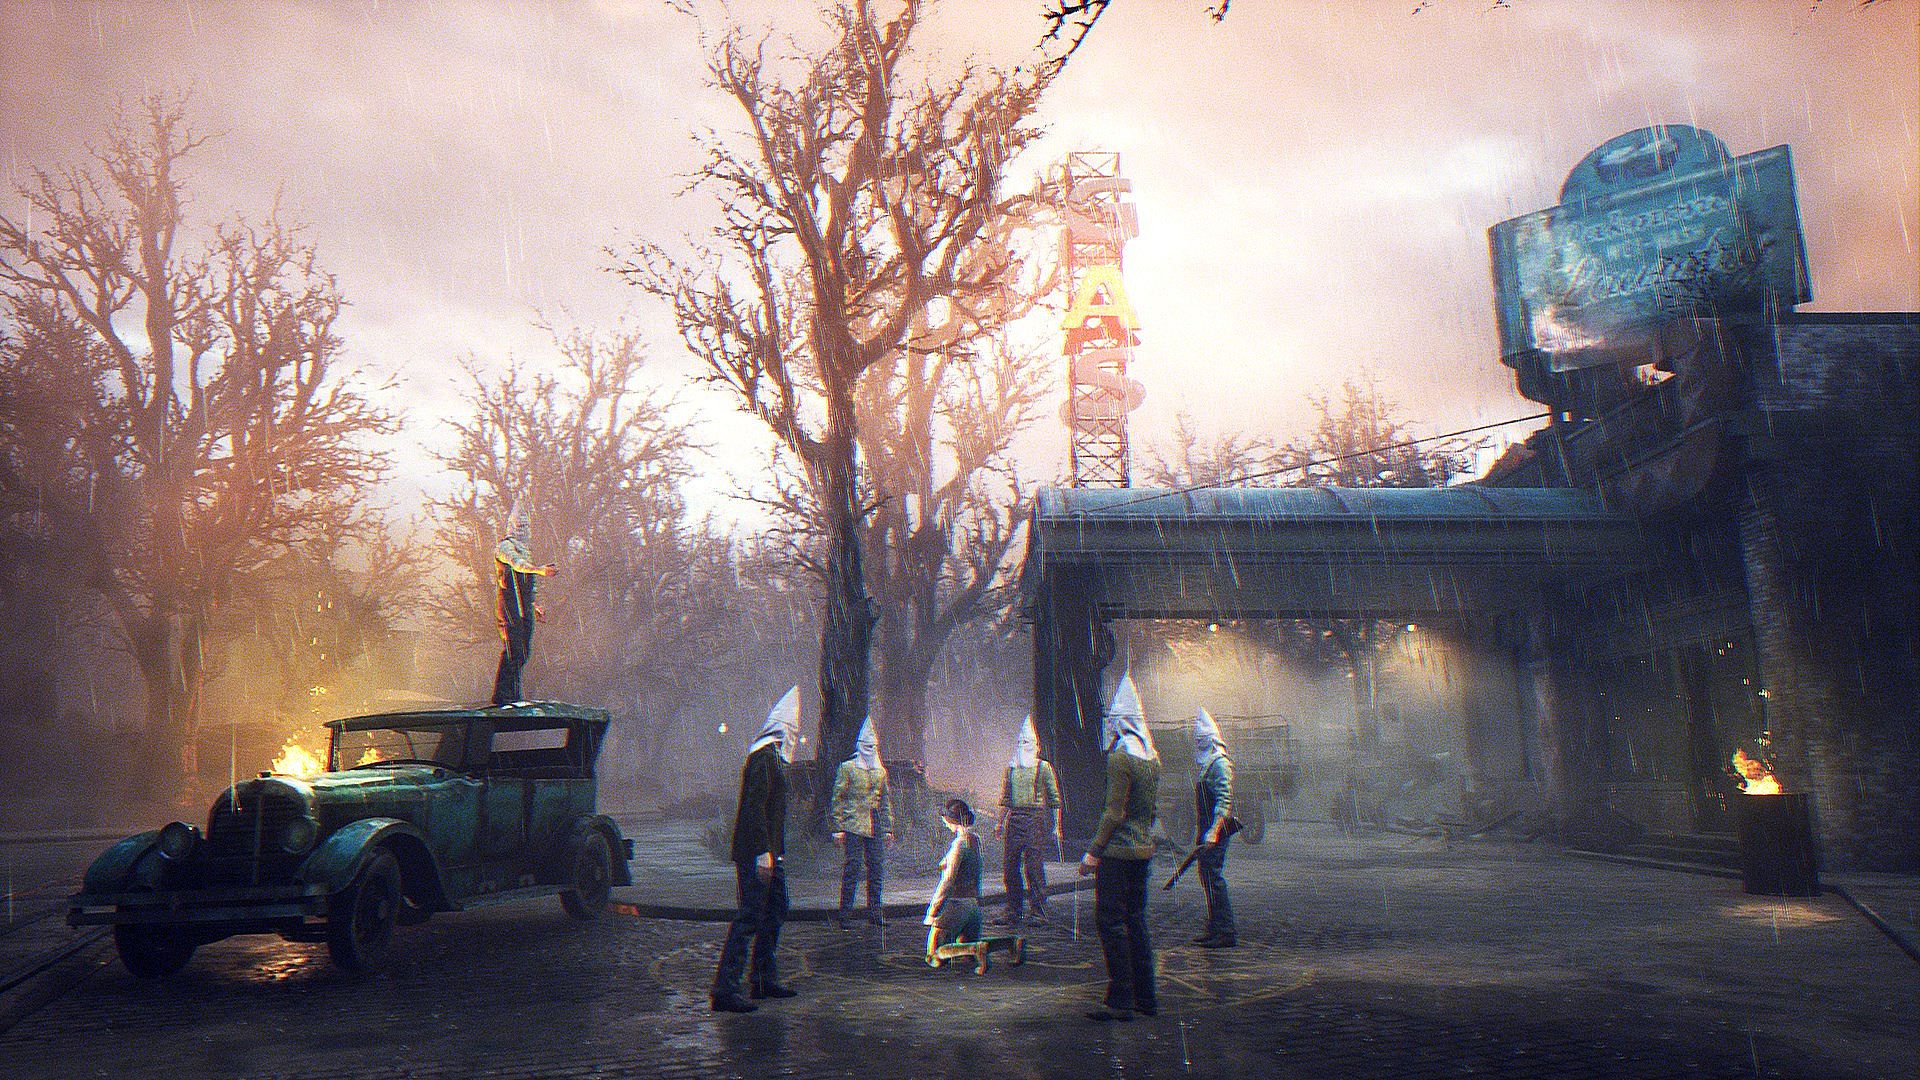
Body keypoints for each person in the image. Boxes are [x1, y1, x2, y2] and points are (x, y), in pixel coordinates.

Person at [711, 688, 800, 1013]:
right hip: (757, 852)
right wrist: (763, 853)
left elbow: (770, 812)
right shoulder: (764, 757)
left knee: (775, 909)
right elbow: (755, 808)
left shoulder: (771, 758)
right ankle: (725, 989)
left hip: (769, 852)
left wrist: (776, 852)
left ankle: (762, 978)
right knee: (750, 916)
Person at [1079, 673, 1160, 1023]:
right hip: (1143, 852)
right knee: (1136, 921)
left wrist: (1094, 851)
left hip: (1117, 855)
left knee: (1110, 922)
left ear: (1119, 721)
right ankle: (1146, 997)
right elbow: (1150, 811)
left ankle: (1121, 998)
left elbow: (1114, 812)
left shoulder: (1120, 758)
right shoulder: (1152, 758)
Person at [995, 715, 1062, 927]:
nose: (1024, 745)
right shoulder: (1011, 769)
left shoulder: (1043, 768)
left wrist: (1056, 827)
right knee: (1010, 866)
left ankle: (1038, 911)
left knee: (1033, 867)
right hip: (1015, 820)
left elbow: (1054, 800)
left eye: (1028, 742)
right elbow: (1006, 799)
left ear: (1035, 745)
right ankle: (1013, 910)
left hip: (1035, 820)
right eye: (1021, 742)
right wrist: (1000, 823)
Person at [490, 497, 557, 706]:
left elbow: (528, 583)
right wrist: (539, 569)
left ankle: (514, 695)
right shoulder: (505, 547)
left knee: (523, 652)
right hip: (509, 606)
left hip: (524, 607)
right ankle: (502, 696)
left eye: (526, 526)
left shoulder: (526, 551)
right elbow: (517, 564)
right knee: (513, 649)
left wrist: (534, 605)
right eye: (519, 526)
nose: (523, 530)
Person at [830, 716, 893, 928]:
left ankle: (875, 912)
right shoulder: (848, 768)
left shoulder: (880, 771)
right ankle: (845, 914)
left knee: (876, 868)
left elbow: (884, 801)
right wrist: (839, 826)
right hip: (853, 823)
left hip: (874, 823)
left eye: (872, 746)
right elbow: (838, 797)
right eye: (866, 746)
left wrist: (887, 828)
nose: (869, 749)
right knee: (852, 869)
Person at [1190, 707, 1237, 948]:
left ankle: (1225, 931)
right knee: (1207, 876)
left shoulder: (1219, 764)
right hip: (1208, 830)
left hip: (1216, 831)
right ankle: (1214, 927)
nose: (1198, 743)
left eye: (1201, 739)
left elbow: (1224, 801)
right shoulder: (1208, 763)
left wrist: (1213, 831)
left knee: (1214, 878)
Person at [924, 798, 984, 957]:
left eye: (946, 820)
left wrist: (934, 911)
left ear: (952, 820)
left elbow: (948, 882)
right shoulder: (975, 840)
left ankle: (976, 949)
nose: (945, 824)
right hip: (973, 906)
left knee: (934, 956)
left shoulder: (959, 844)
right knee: (966, 956)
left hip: (956, 905)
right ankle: (979, 948)